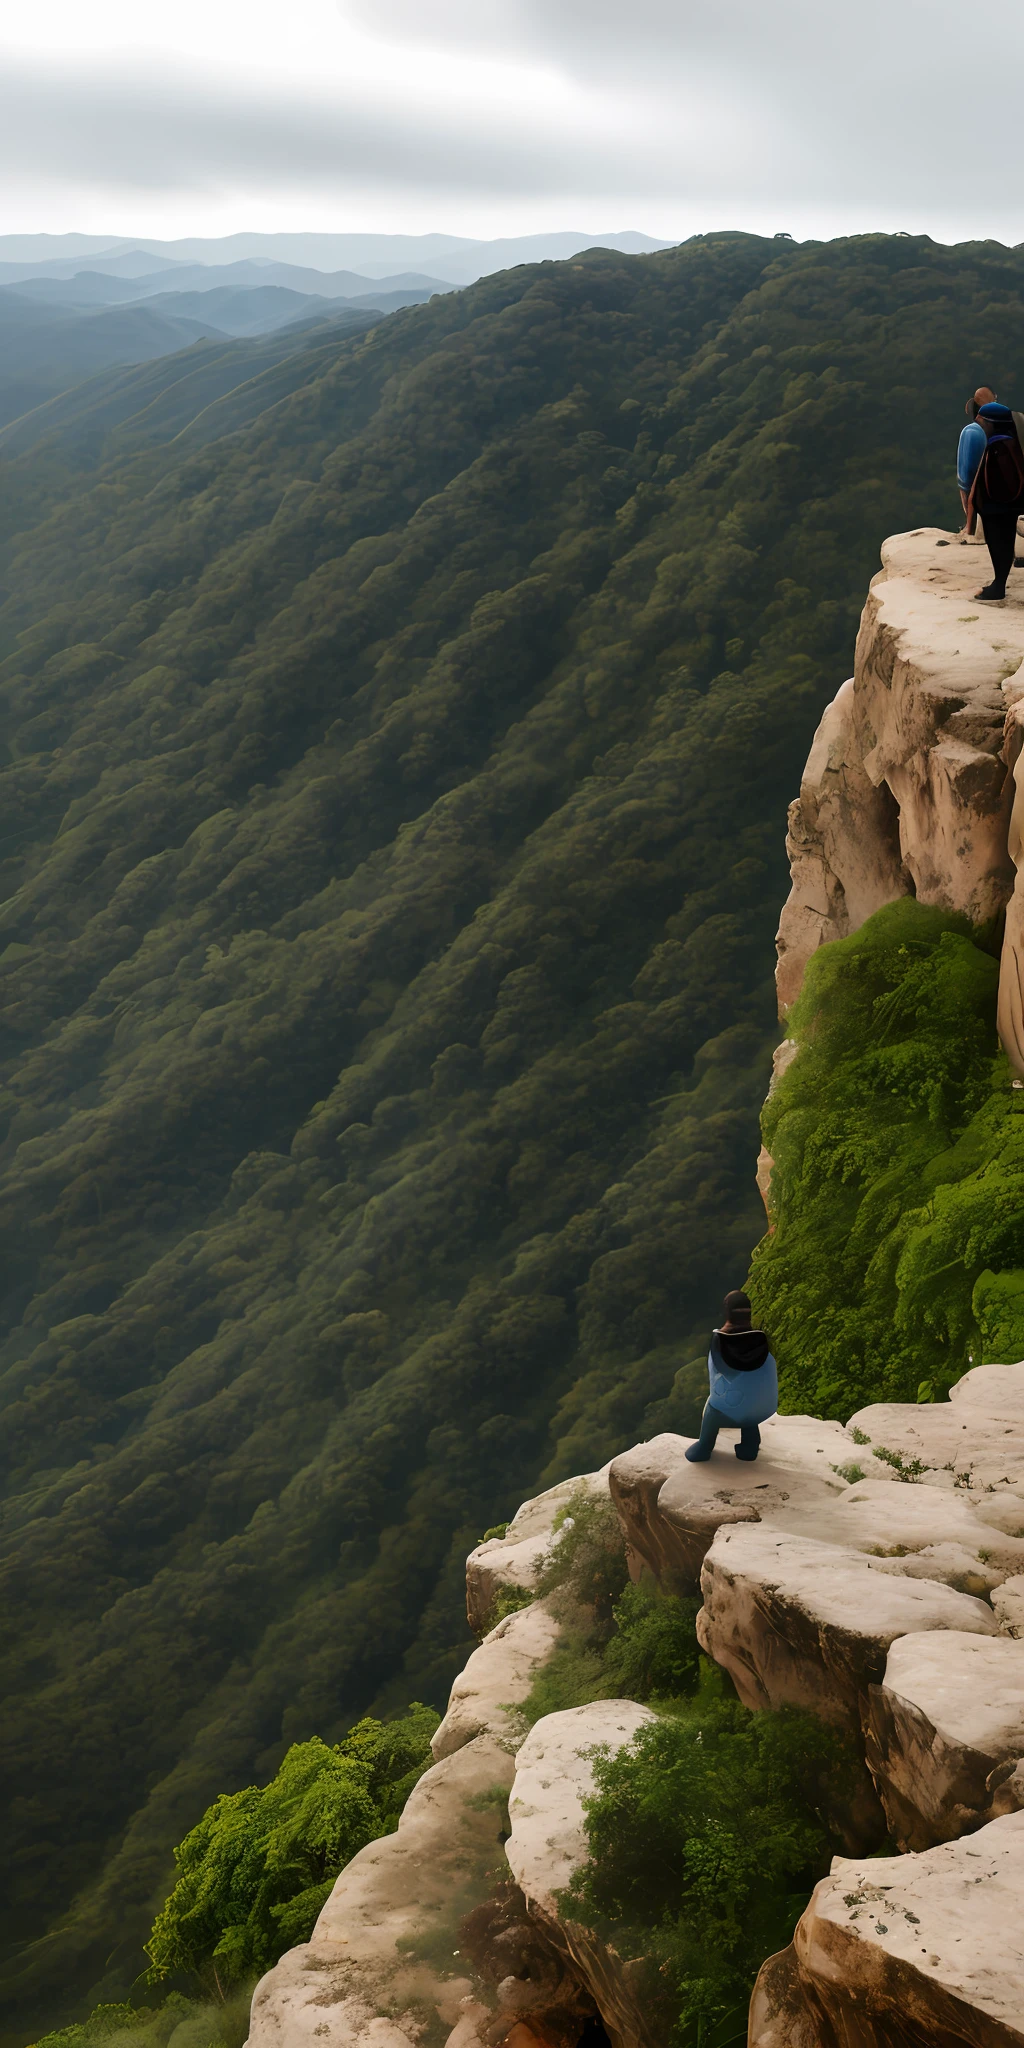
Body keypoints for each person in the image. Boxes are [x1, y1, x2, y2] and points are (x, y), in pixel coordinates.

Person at [684, 1289, 778, 1463]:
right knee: (748, 1397)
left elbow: (717, 1376)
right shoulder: (761, 1339)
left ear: (726, 1312)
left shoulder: (719, 1340)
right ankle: (749, 1447)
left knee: (712, 1409)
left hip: (727, 1411)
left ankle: (704, 1447)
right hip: (762, 1409)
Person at [957, 386, 1024, 602]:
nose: (979, 422)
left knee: (999, 544)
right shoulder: (1015, 441)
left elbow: (971, 474)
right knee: (1007, 541)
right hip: (1016, 501)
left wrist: (972, 501)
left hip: (996, 505)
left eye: (983, 420)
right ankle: (999, 583)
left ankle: (998, 586)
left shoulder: (995, 446)